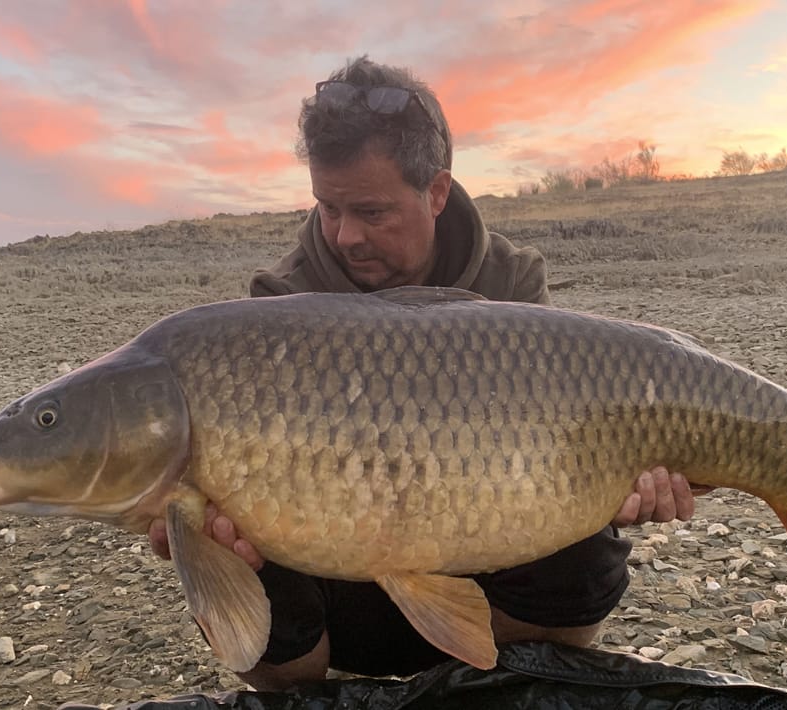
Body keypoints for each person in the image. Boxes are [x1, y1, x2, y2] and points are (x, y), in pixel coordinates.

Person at [147, 56, 697, 692]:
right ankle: (306, 695)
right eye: (328, 207)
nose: (345, 236)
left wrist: (627, 481)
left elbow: (573, 440)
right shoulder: (278, 308)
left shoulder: (510, 285)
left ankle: (501, 688)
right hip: (341, 583)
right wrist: (202, 534)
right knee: (237, 545)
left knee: (588, 547)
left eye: (371, 212)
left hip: (486, 552)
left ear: (436, 193)